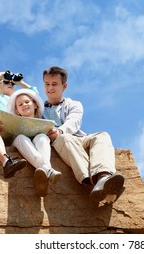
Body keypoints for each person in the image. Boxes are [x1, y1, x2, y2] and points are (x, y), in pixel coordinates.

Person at [42, 66, 125, 203]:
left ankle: (103, 177)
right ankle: (92, 181)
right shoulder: (38, 108)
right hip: (59, 142)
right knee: (65, 138)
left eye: (54, 84)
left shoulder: (74, 104)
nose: (50, 88)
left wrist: (60, 130)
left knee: (102, 135)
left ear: (64, 86)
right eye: (47, 84)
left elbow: (73, 122)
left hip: (77, 138)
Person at [6, 88, 62, 197]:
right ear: (17, 111)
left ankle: (44, 174)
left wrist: (53, 133)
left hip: (40, 140)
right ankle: (48, 170)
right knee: (20, 137)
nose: (24, 105)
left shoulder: (44, 121)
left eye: (27, 102)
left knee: (41, 137)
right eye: (20, 104)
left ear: (35, 104)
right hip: (22, 142)